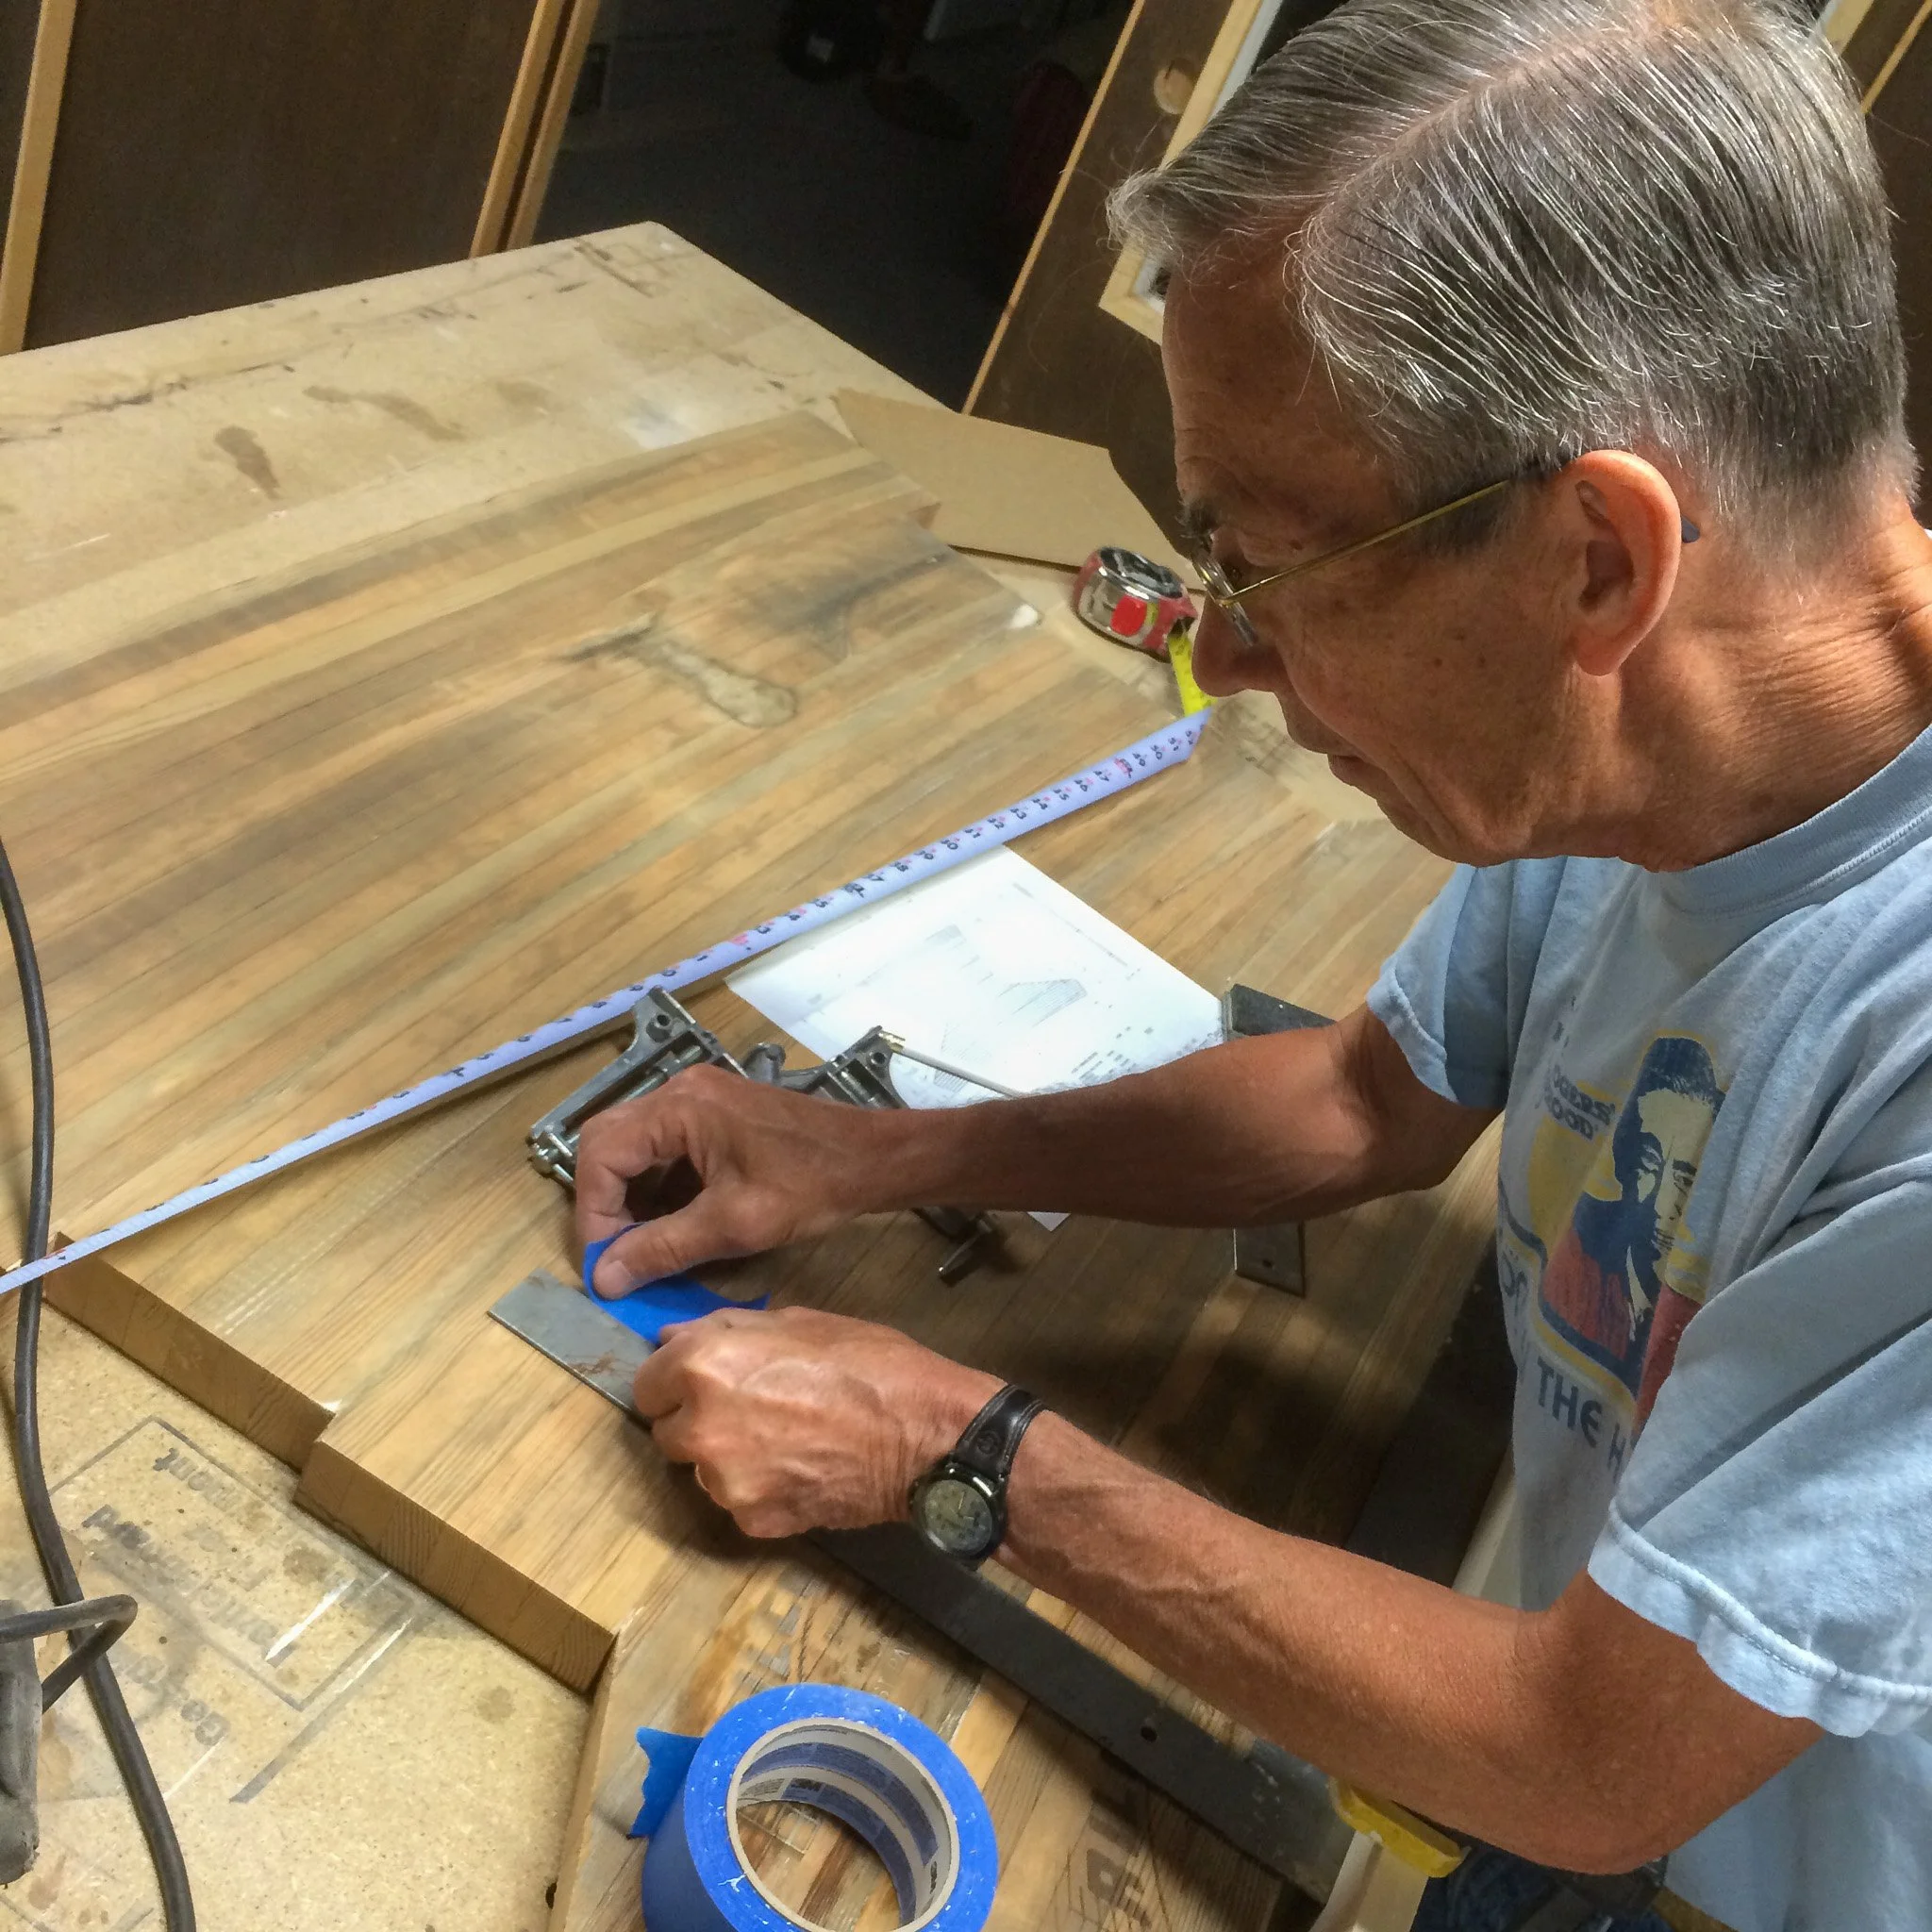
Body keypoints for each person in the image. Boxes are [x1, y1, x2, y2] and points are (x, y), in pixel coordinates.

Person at [574, 5, 1932, 1926]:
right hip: (1615, 1753)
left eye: (1266, 572)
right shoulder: (1661, 754)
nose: (1219, 662)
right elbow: (1365, 1097)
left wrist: (951, 1446)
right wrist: (864, 1155)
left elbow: (1580, 1751)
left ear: (1600, 564)